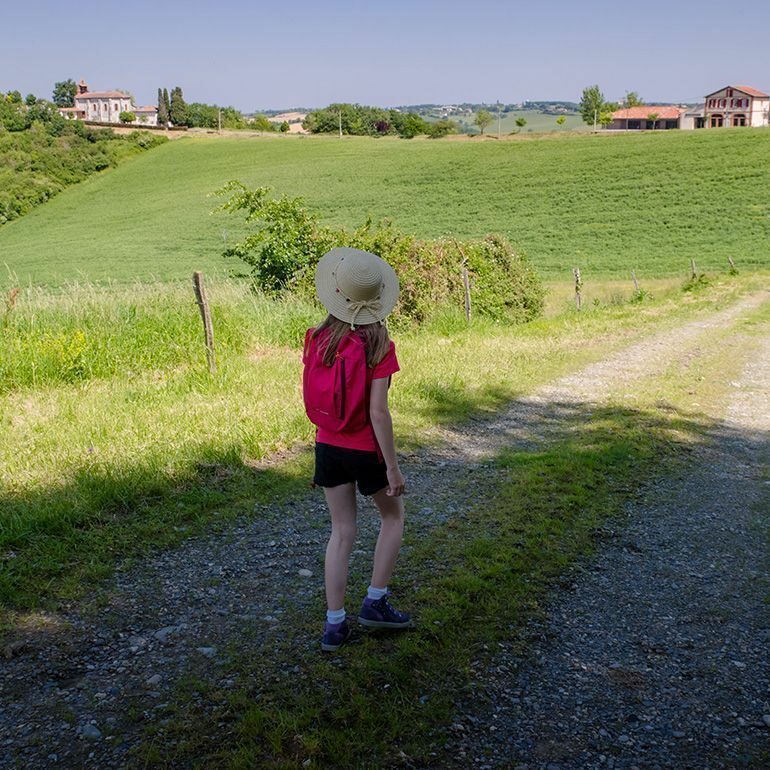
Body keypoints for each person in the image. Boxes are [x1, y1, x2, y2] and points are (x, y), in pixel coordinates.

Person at [302, 247, 412, 652]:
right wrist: (393, 470)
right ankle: (375, 602)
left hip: (327, 444)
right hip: (366, 450)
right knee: (393, 518)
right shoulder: (379, 343)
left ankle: (334, 625)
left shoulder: (316, 338)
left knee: (342, 532)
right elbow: (378, 413)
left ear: (336, 292)